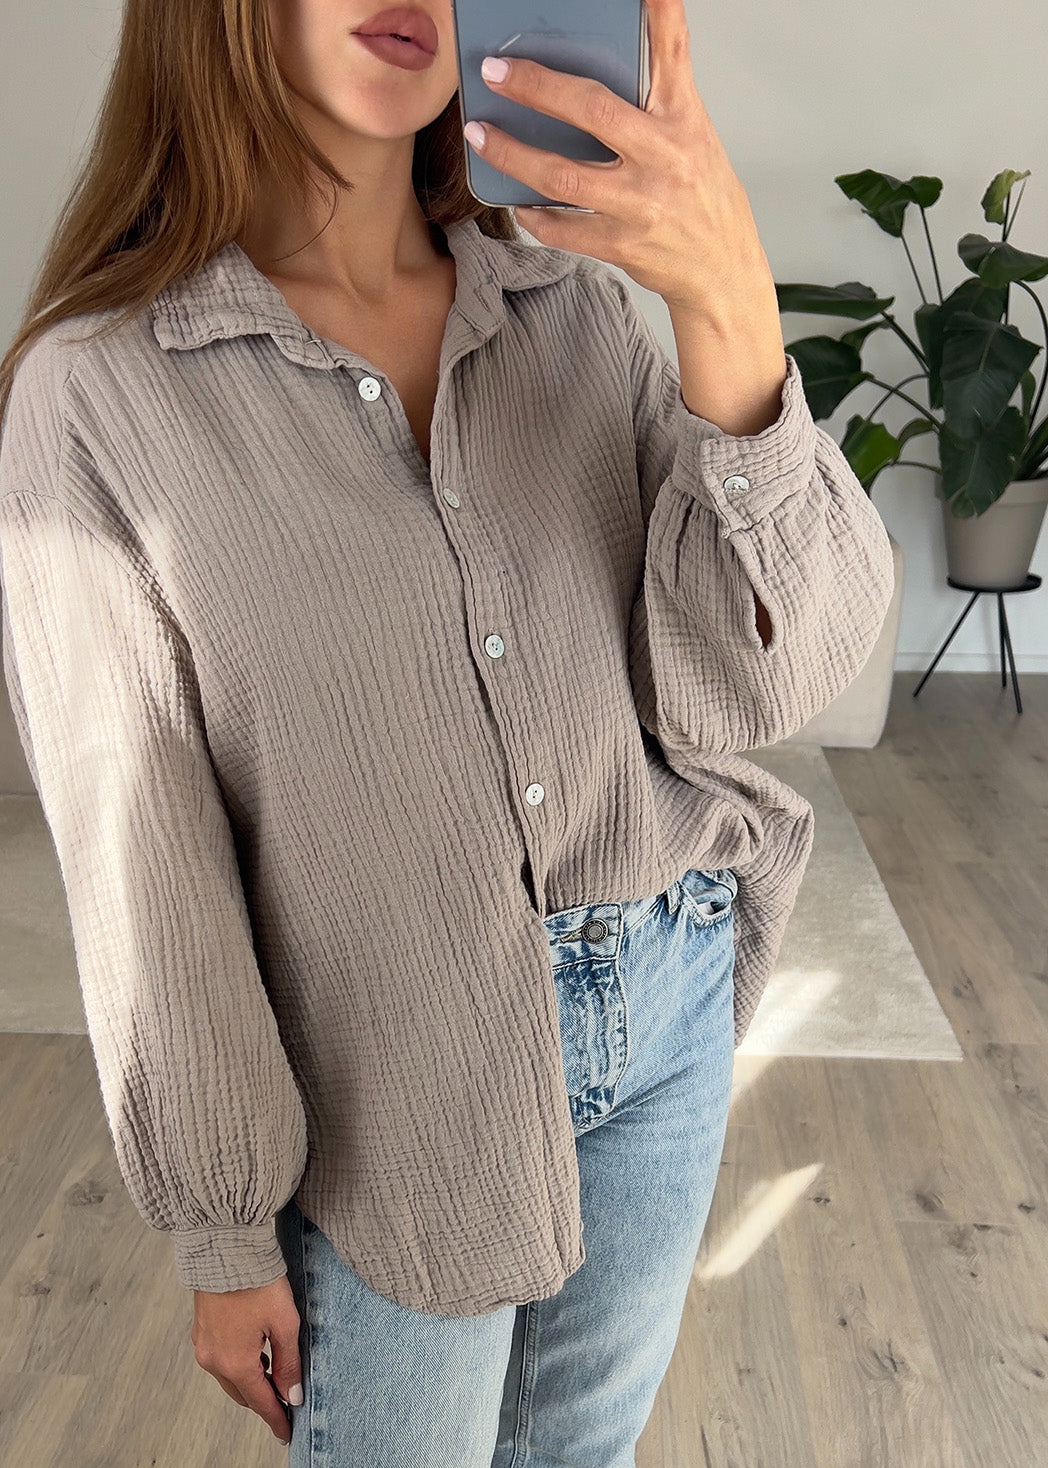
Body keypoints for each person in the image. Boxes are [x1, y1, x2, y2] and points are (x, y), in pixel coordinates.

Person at [0, 0, 896, 1462]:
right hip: (392, 1071)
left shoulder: (575, 307)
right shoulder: (97, 393)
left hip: (665, 989)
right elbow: (141, 851)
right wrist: (222, 1226)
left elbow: (764, 678)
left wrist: (728, 302)